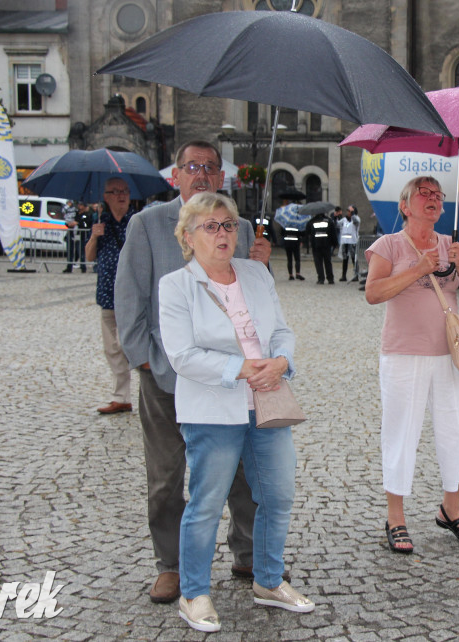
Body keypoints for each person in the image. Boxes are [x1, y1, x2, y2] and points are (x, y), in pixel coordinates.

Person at [114, 140, 272, 605]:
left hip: (230, 378)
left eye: (210, 167)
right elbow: (129, 298)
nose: (200, 174)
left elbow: (254, 305)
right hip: (168, 376)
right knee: (166, 476)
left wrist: (260, 267)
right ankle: (173, 565)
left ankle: (245, 550)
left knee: (243, 472)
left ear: (221, 177)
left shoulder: (240, 226)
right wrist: (144, 357)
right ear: (176, 176)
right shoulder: (146, 225)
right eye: (191, 167)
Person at [159, 192, 313, 633]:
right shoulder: (176, 285)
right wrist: (241, 368)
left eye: (228, 224)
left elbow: (281, 330)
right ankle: (194, 594)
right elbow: (182, 355)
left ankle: (268, 581)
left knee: (278, 495)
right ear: (188, 236)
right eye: (210, 226)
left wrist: (282, 361)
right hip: (212, 409)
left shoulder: (255, 273)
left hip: (267, 402)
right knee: (207, 503)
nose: (222, 234)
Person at [364, 175, 459, 553]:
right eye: (424, 194)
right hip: (403, 354)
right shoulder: (389, 245)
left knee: (457, 433)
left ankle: (451, 508)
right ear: (405, 205)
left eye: (437, 195)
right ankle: (396, 517)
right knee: (401, 434)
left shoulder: (451, 245)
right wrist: (418, 269)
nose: (432, 199)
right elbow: (373, 293)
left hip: (449, 355)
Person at [85, 177, 135, 415]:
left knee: (130, 345)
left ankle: (150, 394)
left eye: (124, 191)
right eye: (114, 192)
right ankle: (121, 397)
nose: (120, 196)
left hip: (132, 296)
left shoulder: (136, 222)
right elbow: (89, 257)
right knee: (112, 349)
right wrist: (94, 236)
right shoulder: (101, 222)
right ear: (105, 196)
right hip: (107, 294)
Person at [307, 211, 336, 284]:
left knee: (318, 263)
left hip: (316, 246)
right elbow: (333, 233)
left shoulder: (312, 221)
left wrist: (310, 243)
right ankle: (330, 278)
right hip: (327, 245)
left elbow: (307, 231)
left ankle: (321, 278)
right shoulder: (329, 220)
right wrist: (334, 243)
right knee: (328, 262)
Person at [279, 199, 304, 281]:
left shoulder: (285, 221)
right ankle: (298, 273)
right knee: (297, 258)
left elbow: (282, 232)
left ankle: (291, 275)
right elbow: (301, 233)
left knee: (289, 259)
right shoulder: (298, 221)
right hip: (296, 242)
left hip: (287, 242)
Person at [338, 205, 361, 282]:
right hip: (345, 242)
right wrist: (337, 217)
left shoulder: (356, 219)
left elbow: (356, 221)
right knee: (345, 259)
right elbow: (337, 224)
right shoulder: (344, 219)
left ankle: (356, 275)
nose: (348, 212)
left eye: (350, 211)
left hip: (353, 242)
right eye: (348, 211)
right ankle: (343, 275)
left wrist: (353, 214)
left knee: (354, 259)